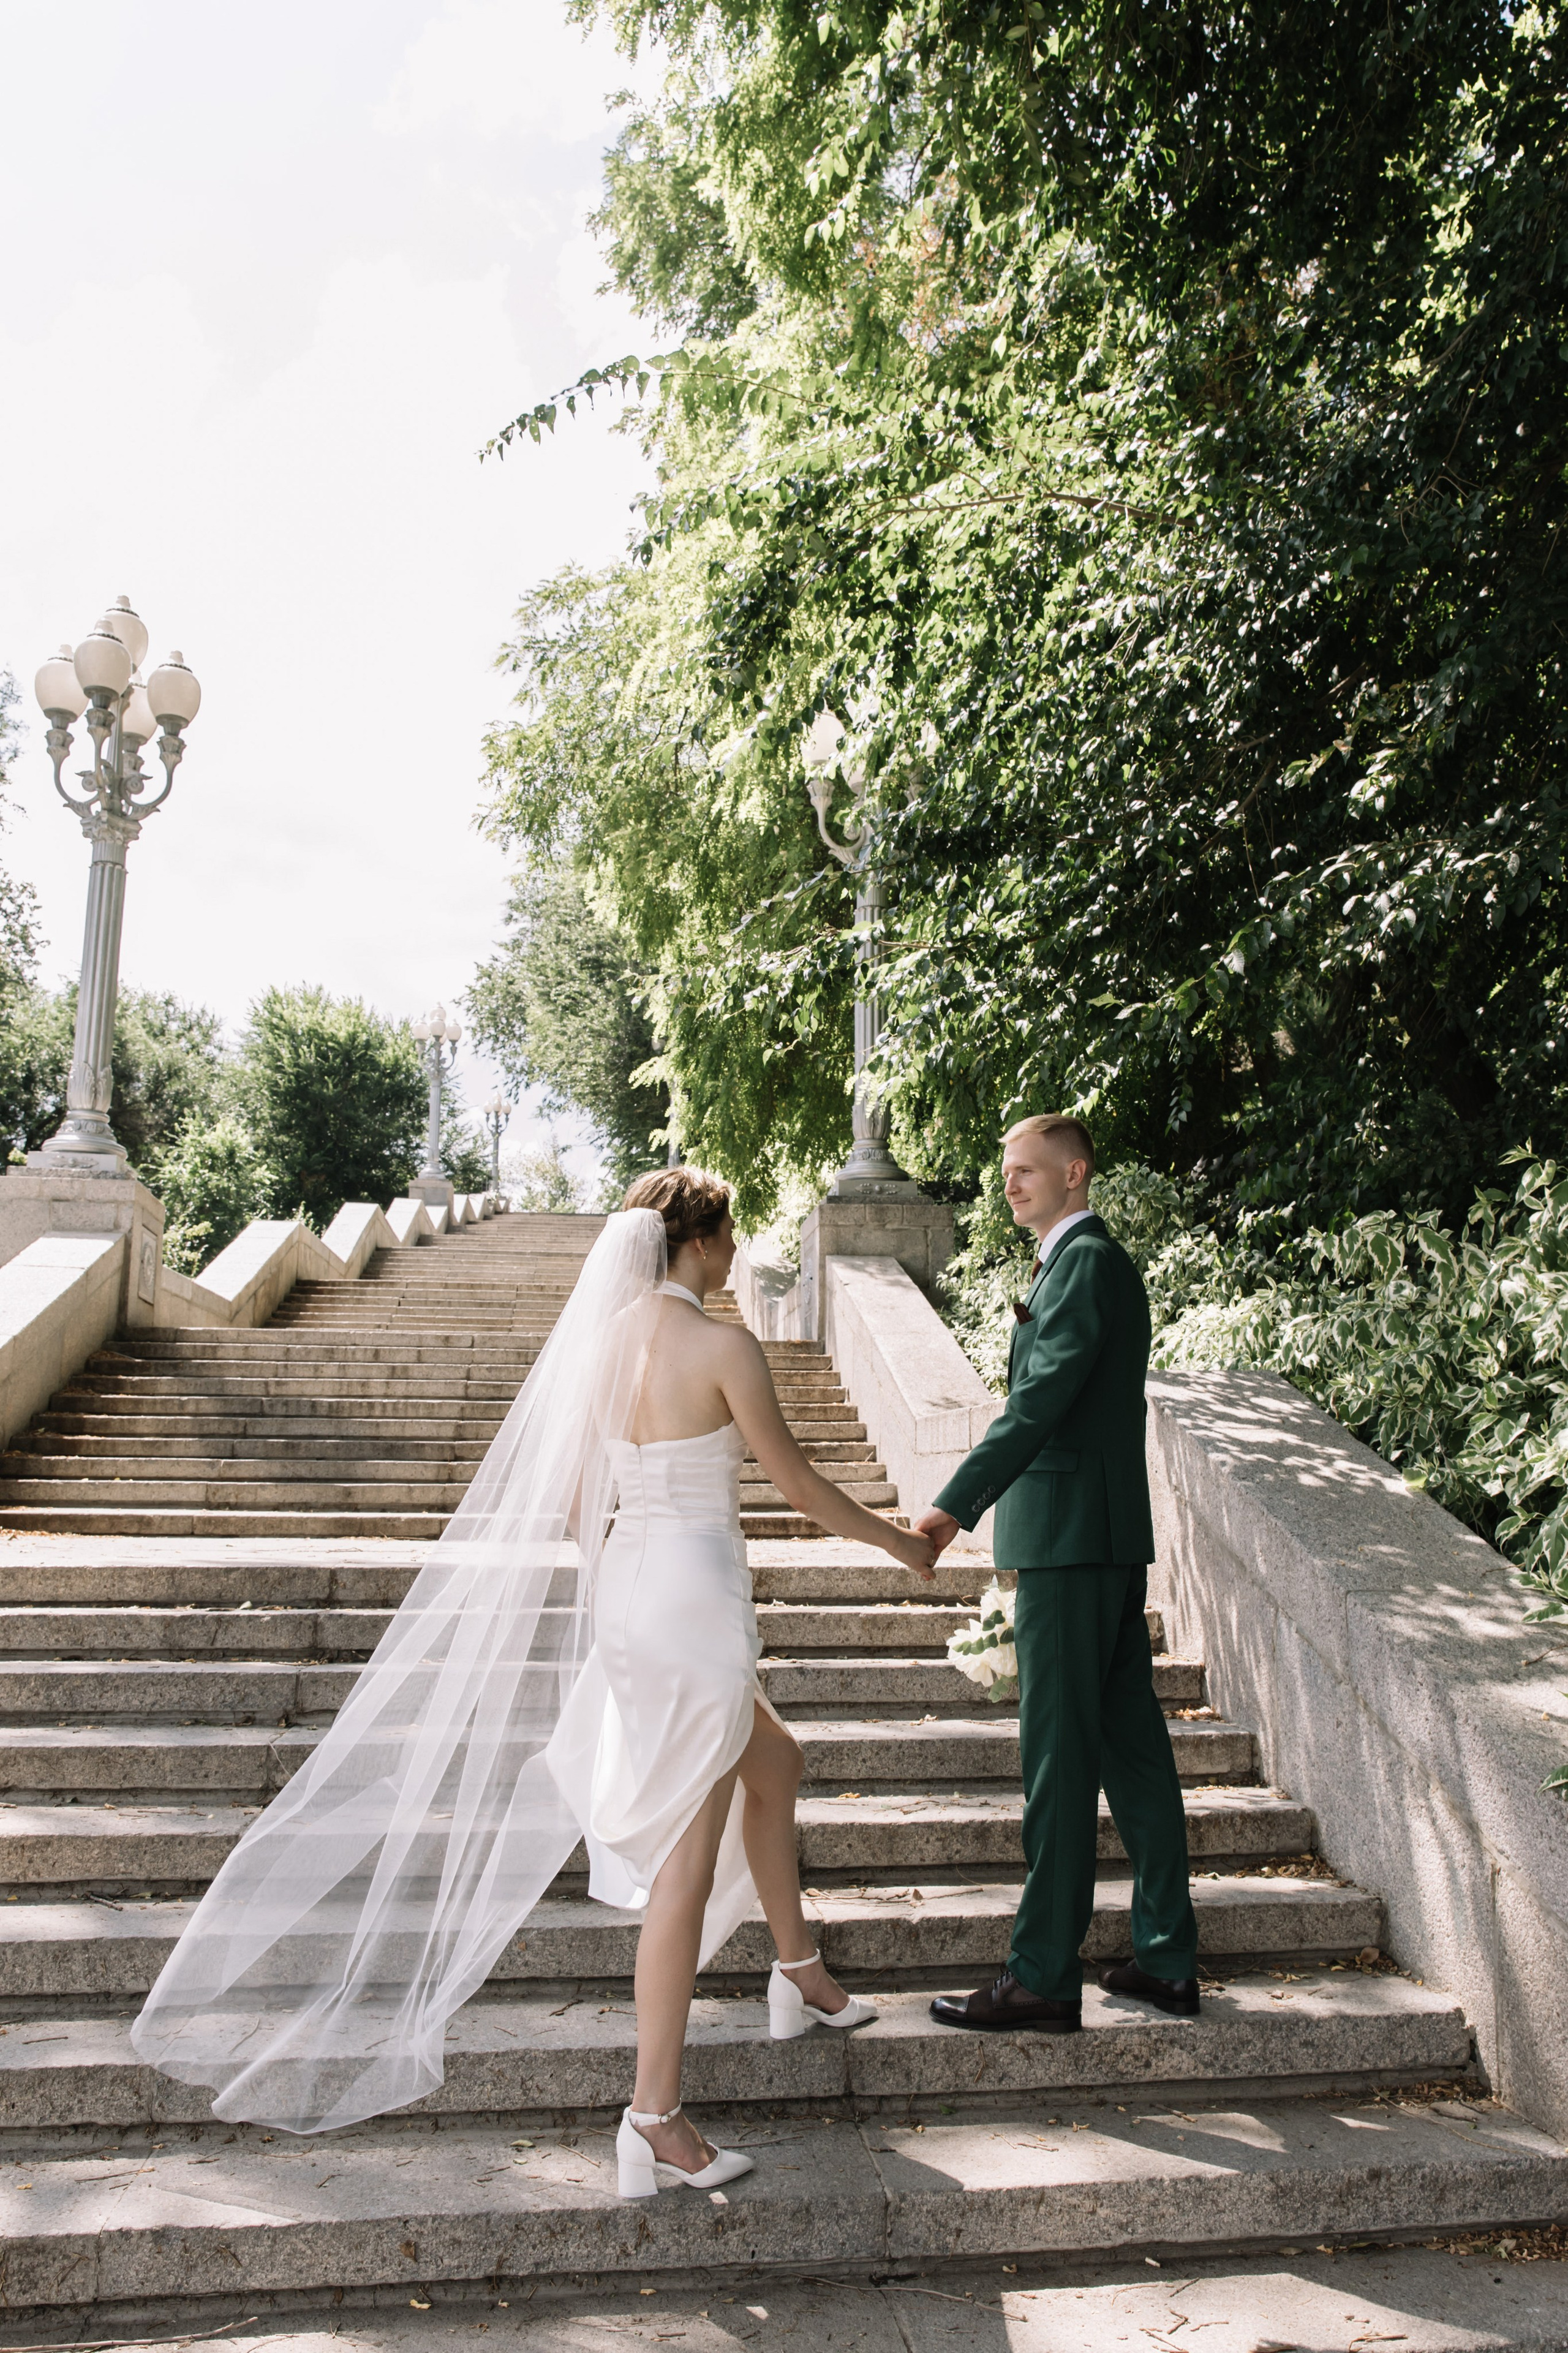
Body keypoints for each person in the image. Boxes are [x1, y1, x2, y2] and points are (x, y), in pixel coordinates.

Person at [131, 1168, 935, 2201]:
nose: (735, 1255)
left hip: (635, 1591)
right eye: (729, 1236)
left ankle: (797, 1972)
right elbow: (800, 1485)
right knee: (688, 1859)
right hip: (696, 1597)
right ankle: (654, 2116)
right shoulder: (722, 1343)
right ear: (696, 1242)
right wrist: (900, 1547)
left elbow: (570, 1497)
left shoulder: (600, 1345)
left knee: (774, 1759)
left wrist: (616, 1591)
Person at [913, 1114, 1199, 2033]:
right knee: (1133, 1754)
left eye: (1027, 1169)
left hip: (1073, 1542)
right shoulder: (1074, 1263)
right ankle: (1165, 1959)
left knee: (1060, 1762)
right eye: (1005, 1171)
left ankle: (1041, 1974)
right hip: (1092, 1536)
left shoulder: (1085, 1263)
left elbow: (1041, 1400)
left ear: (1077, 1172)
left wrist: (955, 1501)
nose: (1010, 1184)